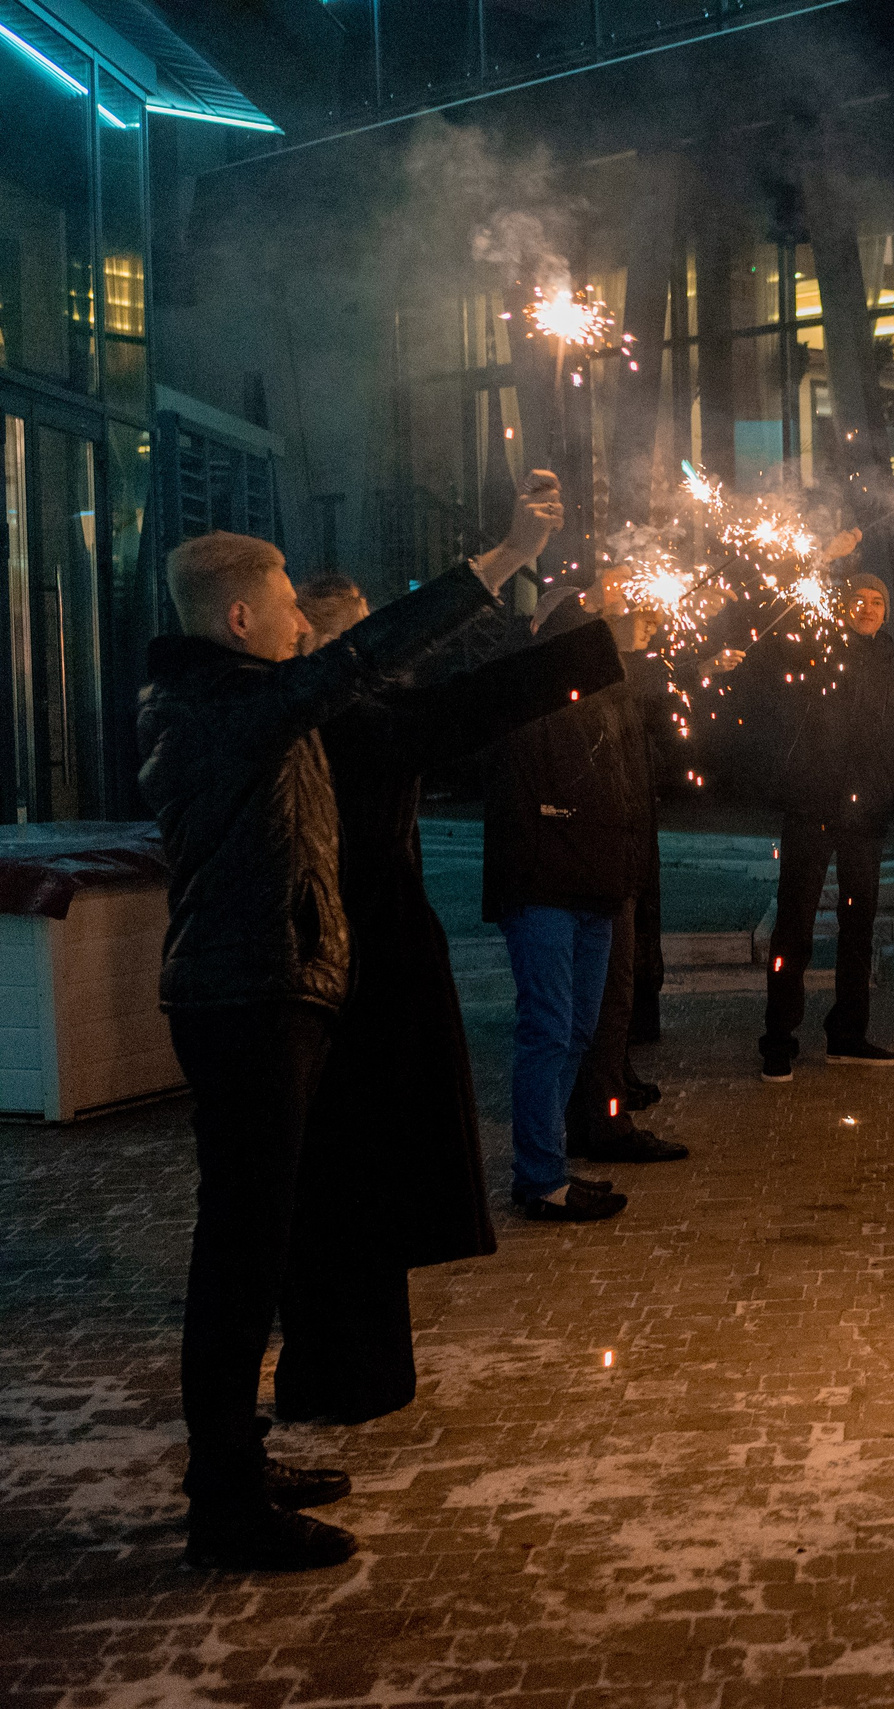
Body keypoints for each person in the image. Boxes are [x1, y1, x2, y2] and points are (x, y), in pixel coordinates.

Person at [135, 472, 562, 1571]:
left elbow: (396, 703)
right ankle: (223, 1504)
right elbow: (366, 659)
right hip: (248, 1000)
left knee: (257, 1241)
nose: (303, 621)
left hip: (270, 991)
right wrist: (502, 557)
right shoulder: (226, 705)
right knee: (239, 1255)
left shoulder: (240, 700)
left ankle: (233, 1459)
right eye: (283, 601)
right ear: (239, 620)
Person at [276, 575, 624, 1428]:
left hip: (346, 959)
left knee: (350, 1178)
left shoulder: (330, 713)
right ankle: (338, 1376)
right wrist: (514, 577)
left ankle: (357, 1368)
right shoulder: (339, 719)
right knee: (343, 1177)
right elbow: (468, 705)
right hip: (341, 967)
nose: (385, 655)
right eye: (368, 638)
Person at [481, 588, 660, 1225]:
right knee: (549, 1030)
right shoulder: (528, 700)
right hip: (541, 890)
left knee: (579, 1030)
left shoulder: (607, 702)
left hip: (595, 889)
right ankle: (538, 1175)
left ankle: (548, 1163)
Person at [735, 554, 894, 1081]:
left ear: (887, 613)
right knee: (794, 923)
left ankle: (848, 1034)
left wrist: (890, 790)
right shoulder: (816, 654)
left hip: (866, 818)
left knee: (858, 926)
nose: (867, 608)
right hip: (812, 807)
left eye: (877, 601)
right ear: (840, 608)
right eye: (857, 599)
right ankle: (778, 1039)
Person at [563, 583, 689, 1169]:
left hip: (625, 854)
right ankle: (601, 1122)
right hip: (600, 861)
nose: (639, 625)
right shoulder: (586, 686)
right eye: (622, 618)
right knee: (601, 1004)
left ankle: (601, 1111)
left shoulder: (616, 685)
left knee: (612, 1001)